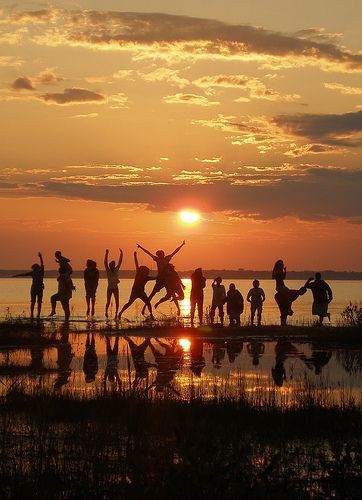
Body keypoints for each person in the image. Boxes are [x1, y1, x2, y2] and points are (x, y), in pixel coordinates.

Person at [137, 241, 185, 312]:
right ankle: (144, 308)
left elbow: (175, 252)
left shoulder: (167, 258)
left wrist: (182, 245)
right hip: (159, 279)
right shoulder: (157, 259)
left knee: (171, 294)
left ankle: (178, 309)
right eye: (159, 255)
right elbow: (148, 253)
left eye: (161, 254)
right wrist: (141, 247)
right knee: (152, 294)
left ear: (163, 254)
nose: (160, 256)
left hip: (167, 279)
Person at [118, 252, 156, 319]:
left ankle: (151, 315)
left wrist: (161, 275)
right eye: (145, 270)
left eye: (147, 271)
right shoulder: (138, 273)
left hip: (141, 292)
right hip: (135, 291)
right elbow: (136, 263)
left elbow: (155, 277)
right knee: (129, 303)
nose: (146, 272)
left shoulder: (147, 277)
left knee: (148, 302)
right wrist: (135, 255)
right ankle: (120, 313)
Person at [13, 252, 44, 319]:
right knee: (33, 301)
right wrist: (16, 275)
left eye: (35, 268)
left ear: (37, 268)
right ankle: (32, 314)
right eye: (33, 268)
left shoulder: (41, 272)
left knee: (39, 302)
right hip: (34, 289)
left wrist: (41, 257)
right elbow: (24, 274)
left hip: (39, 289)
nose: (34, 269)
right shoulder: (33, 273)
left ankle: (38, 314)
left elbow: (42, 264)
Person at [104, 248, 123, 319]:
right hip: (109, 288)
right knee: (108, 302)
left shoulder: (116, 269)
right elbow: (105, 262)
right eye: (111, 265)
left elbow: (120, 262)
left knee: (117, 301)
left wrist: (121, 254)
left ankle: (116, 314)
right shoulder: (108, 270)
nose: (112, 266)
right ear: (109, 266)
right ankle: (106, 312)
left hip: (115, 288)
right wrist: (106, 253)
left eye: (113, 265)